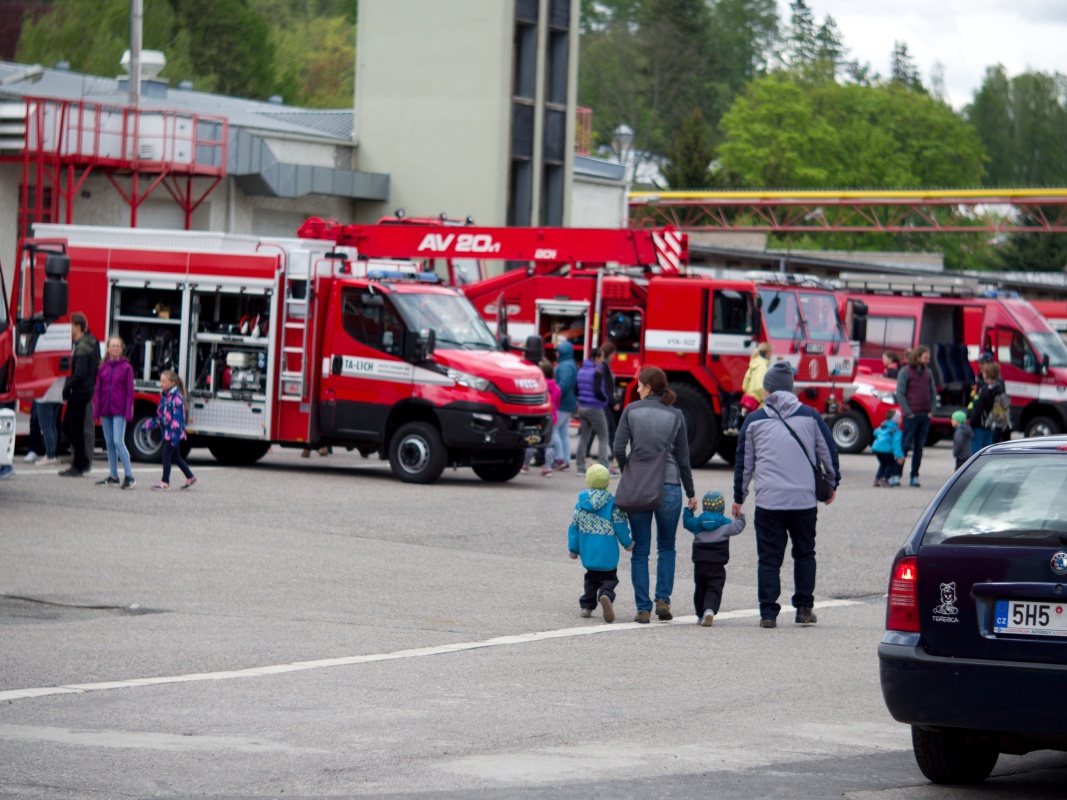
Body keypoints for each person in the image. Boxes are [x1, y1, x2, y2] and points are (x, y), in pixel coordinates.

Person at [733, 361, 839, 628]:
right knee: (804, 553)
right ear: (791, 388)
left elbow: (744, 462)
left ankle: (768, 613)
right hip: (803, 501)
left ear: (767, 389)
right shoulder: (810, 416)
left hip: (769, 501)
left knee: (769, 558)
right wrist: (831, 482)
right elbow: (828, 451)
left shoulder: (754, 420)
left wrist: (739, 496)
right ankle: (804, 608)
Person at [613, 366, 696, 623]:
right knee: (667, 546)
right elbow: (683, 458)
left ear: (648, 387)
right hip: (670, 485)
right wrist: (691, 492)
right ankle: (663, 599)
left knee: (640, 550)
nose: (637, 389)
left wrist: (629, 471)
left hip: (639, 485)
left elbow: (617, 448)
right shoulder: (676, 415)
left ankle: (643, 608)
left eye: (639, 385)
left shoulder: (631, 411)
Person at [568, 463, 633, 623]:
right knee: (609, 577)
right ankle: (606, 595)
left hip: (588, 551)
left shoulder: (581, 504)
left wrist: (573, 549)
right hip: (607, 551)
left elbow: (574, 528)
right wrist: (627, 543)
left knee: (591, 578)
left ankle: (587, 606)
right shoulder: (613, 504)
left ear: (588, 481)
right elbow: (620, 526)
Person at [683, 490, 746, 627]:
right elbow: (738, 527)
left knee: (700, 587)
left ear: (704, 506)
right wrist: (739, 516)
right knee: (714, 587)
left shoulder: (698, 523)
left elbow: (687, 522)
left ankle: (700, 614)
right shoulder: (726, 524)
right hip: (717, 563)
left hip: (700, 563)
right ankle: (709, 609)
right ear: (721, 507)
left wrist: (689, 511)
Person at [59, 312, 99, 477]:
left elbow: (80, 372)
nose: (69, 329)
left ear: (77, 327)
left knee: (73, 428)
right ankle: (81, 461)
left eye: (71, 325)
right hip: (85, 391)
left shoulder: (82, 346)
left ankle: (79, 464)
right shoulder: (91, 342)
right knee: (73, 428)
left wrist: (66, 386)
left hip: (79, 392)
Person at [93, 336, 136, 489]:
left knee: (118, 441)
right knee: (109, 443)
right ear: (108, 349)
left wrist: (128, 412)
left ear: (122, 349)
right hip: (106, 410)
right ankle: (113, 475)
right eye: (113, 346)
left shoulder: (126, 368)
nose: (115, 348)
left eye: (118, 346)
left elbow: (130, 392)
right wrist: (96, 411)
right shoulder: (103, 368)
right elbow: (98, 391)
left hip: (119, 410)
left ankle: (129, 475)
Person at [143, 369, 197, 490]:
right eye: (160, 381)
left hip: (173, 433)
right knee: (176, 457)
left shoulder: (176, 398)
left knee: (166, 454)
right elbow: (162, 416)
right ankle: (190, 476)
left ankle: (165, 482)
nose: (161, 384)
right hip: (169, 432)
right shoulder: (165, 397)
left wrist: (175, 435)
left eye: (163, 381)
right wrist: (150, 424)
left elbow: (177, 419)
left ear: (172, 383)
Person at [894, 345, 938, 488]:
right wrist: (908, 412)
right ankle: (896, 474)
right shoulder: (905, 372)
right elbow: (900, 393)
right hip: (911, 416)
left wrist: (932, 410)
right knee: (905, 445)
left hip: (925, 415)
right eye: (926, 358)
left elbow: (932, 392)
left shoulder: (928, 373)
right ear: (918, 357)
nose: (927, 360)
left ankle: (914, 476)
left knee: (919, 448)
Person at [575, 346, 615, 476]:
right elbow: (598, 391)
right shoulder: (597, 371)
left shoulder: (581, 370)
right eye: (602, 356)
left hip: (582, 407)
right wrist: (605, 400)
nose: (603, 359)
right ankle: (604, 467)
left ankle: (580, 467)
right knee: (603, 436)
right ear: (597, 357)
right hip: (595, 407)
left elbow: (576, 389)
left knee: (584, 437)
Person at [524, 361, 559, 477]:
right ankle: (548, 467)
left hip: (537, 416)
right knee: (548, 443)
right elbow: (557, 404)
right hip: (551, 417)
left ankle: (525, 465)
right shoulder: (557, 388)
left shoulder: (537, 386)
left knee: (531, 441)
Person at [968, 361, 1006, 456]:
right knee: (987, 455)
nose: (982, 374)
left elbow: (979, 409)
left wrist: (971, 423)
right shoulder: (1000, 388)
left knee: (976, 456)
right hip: (991, 425)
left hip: (979, 426)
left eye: (984, 372)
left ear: (987, 375)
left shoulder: (985, 390)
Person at [552, 338, 578, 471]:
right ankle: (565, 459)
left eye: (558, 351)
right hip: (568, 402)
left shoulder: (565, 366)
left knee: (553, 430)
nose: (556, 354)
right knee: (563, 432)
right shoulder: (570, 363)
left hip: (562, 403)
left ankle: (559, 458)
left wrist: (554, 396)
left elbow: (564, 383)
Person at [870, 409, 904, 488]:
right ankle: (885, 478)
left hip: (877, 448)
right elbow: (896, 444)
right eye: (899, 418)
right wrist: (899, 455)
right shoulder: (895, 430)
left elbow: (875, 432)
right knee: (891, 464)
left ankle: (877, 478)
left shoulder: (883, 427)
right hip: (886, 450)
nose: (901, 420)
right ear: (895, 419)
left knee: (883, 464)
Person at [742, 342, 773, 408]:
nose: (772, 355)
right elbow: (760, 387)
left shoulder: (754, 364)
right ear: (768, 353)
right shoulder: (762, 367)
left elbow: (744, 386)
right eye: (771, 352)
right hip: (758, 405)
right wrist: (769, 398)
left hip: (749, 401)